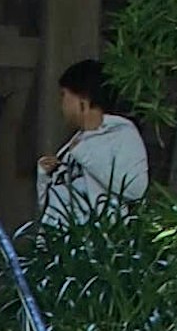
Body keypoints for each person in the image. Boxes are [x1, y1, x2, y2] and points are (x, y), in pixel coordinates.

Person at [36, 55, 152, 227]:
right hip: (61, 245)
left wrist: (85, 155)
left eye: (64, 96)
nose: (62, 105)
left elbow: (135, 189)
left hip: (97, 245)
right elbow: (51, 205)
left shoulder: (122, 134)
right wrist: (44, 177)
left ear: (83, 101)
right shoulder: (76, 141)